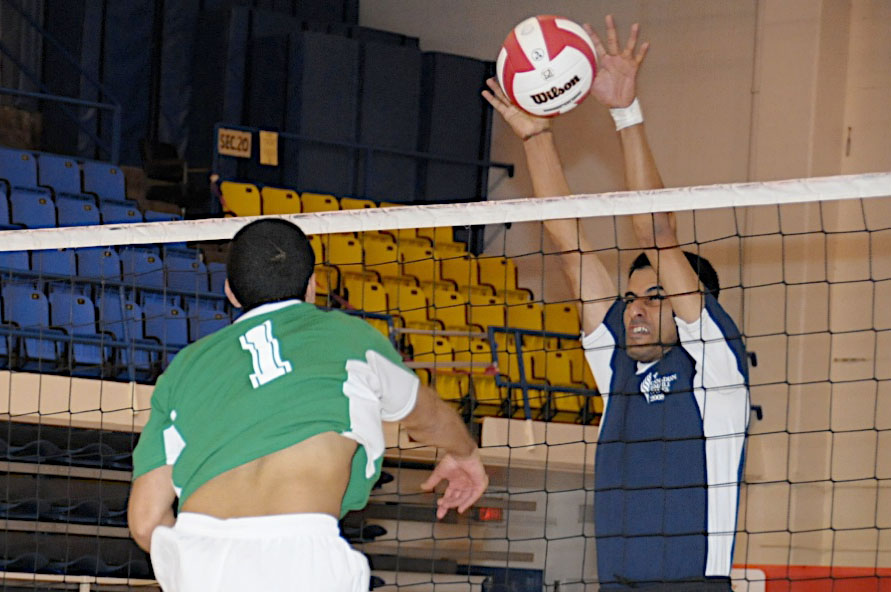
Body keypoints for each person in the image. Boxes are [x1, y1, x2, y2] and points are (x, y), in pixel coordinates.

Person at [484, 15, 750, 591]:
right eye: (631, 297)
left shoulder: (714, 368)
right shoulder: (616, 364)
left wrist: (625, 112)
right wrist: (535, 137)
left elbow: (657, 233)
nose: (635, 309)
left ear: (688, 306)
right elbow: (567, 241)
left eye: (655, 298)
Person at [127, 219, 488, 592]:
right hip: (300, 552)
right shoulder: (350, 338)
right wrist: (464, 452)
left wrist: (194, 565)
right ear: (313, 286)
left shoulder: (186, 368)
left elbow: (145, 521)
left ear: (230, 292)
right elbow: (426, 414)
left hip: (199, 556)